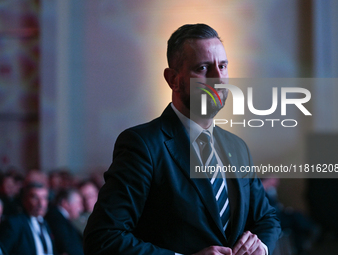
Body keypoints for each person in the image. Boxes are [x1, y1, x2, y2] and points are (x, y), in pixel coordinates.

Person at [83, 23, 281, 255]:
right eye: (204, 68)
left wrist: (261, 246)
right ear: (173, 79)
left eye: (223, 66)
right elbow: (103, 238)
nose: (218, 78)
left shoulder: (237, 146)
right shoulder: (142, 145)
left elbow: (267, 217)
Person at [0, 182, 55, 255]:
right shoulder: (14, 223)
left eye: (44, 198)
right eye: (35, 198)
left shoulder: (44, 223)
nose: (41, 203)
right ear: (24, 200)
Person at [45, 188, 84, 255]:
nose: (81, 208)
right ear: (65, 203)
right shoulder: (56, 218)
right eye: (78, 203)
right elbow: (66, 247)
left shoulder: (62, 219)